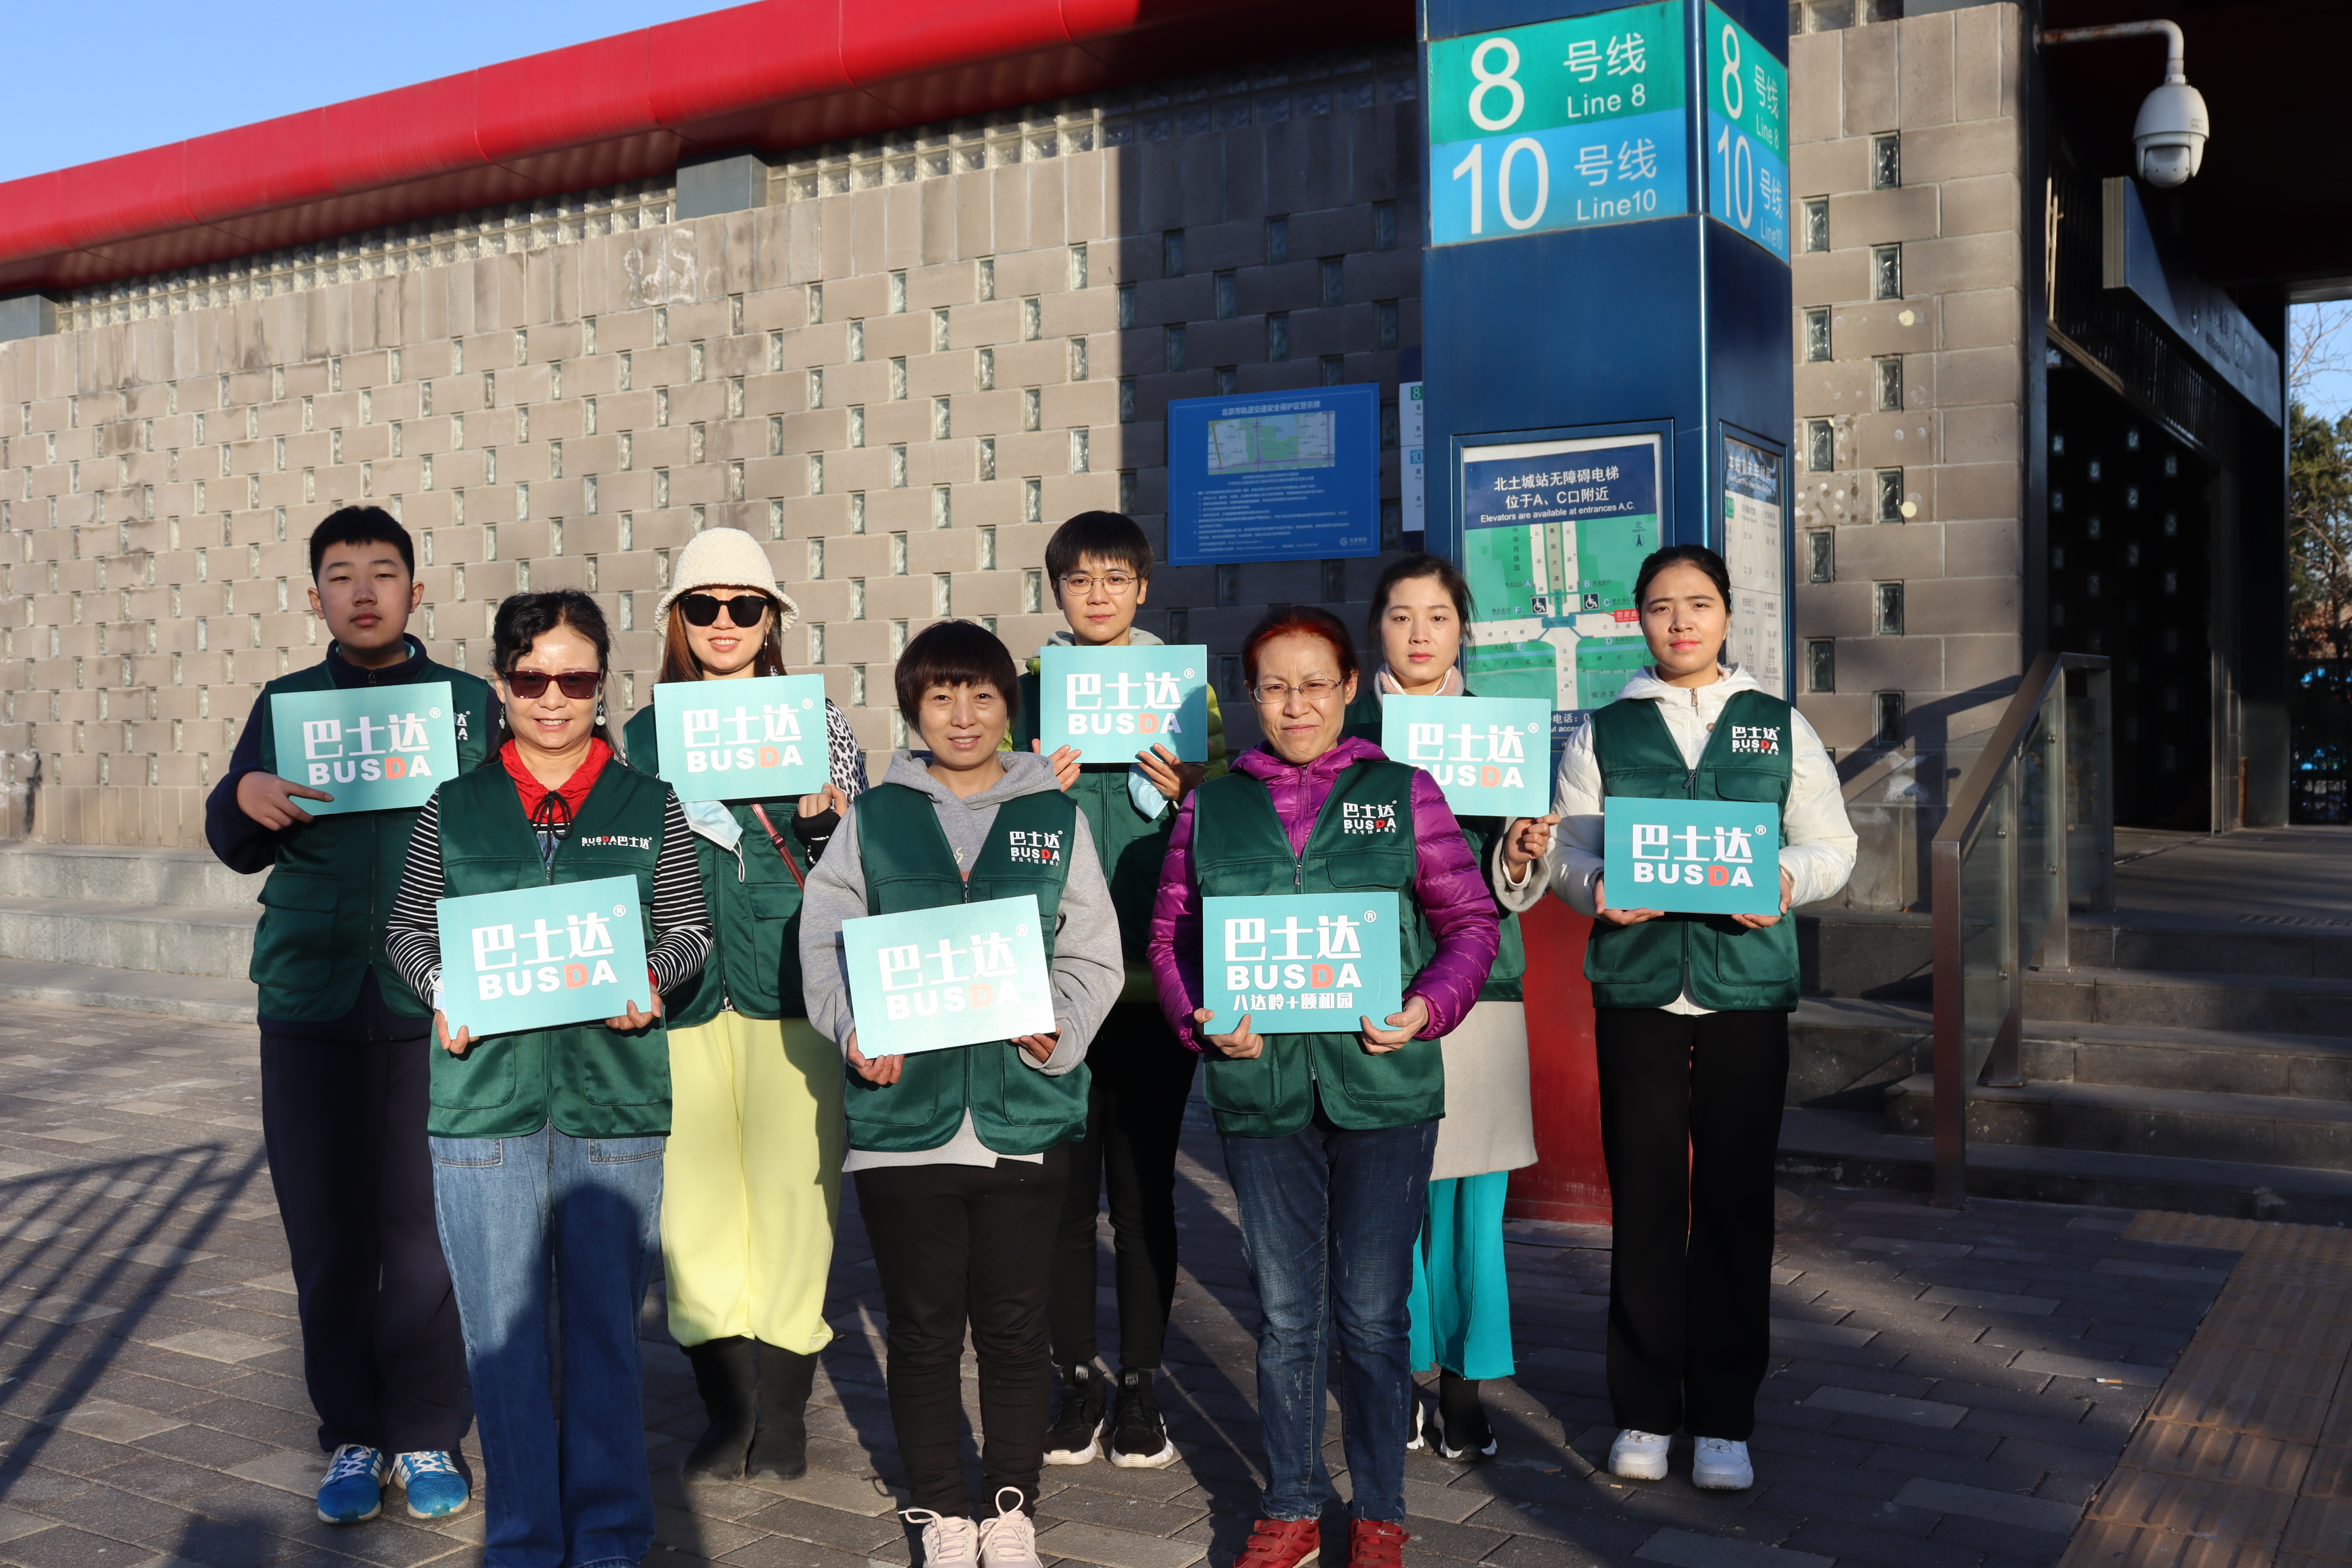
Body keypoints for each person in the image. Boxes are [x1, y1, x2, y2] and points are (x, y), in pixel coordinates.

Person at [1148, 607, 1499, 1568]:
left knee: (1372, 1315)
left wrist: (1427, 1007)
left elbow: (1470, 921)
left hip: (1383, 1086)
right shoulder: (1210, 805)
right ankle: (1294, 1502)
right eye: (1273, 684)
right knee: (1289, 1313)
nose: (1295, 702)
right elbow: (1174, 937)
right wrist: (1200, 1020)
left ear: (1351, 687)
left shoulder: (1401, 792)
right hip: (1261, 1091)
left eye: (1315, 682)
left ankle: (1379, 1508)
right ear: (1249, 694)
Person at [1506, 544, 1855, 1493]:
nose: (1681, 622)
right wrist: (1595, 888)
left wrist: (1787, 878)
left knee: (1738, 1205)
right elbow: (1572, 849)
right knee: (1649, 1203)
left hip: (1745, 988)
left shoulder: (1775, 726)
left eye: (1698, 604)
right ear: (1640, 620)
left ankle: (1727, 1417)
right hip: (1642, 992)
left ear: (1727, 615)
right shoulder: (1606, 733)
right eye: (1661, 607)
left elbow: (1833, 844)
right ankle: (1645, 1409)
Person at [383, 590, 713, 1568]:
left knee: (608, 1337)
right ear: (501, 685)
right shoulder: (457, 804)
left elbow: (689, 929)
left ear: (601, 685)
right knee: (502, 1342)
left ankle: (611, 1534)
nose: (555, 699)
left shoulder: (649, 804)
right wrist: (443, 985)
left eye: (575, 678)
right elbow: (406, 932)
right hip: (485, 1104)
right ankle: (524, 1538)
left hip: (612, 1104)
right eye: (533, 679)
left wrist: (653, 977)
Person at [799, 620, 1123, 1568]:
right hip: (906, 1121)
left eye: (981, 694)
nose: (963, 714)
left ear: (1008, 708)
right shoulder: (875, 817)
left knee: (1017, 1326)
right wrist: (856, 1027)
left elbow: (1093, 949)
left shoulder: (1056, 816)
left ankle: (1010, 1506)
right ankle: (941, 1509)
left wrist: (1059, 1023)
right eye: (940, 696)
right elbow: (824, 937)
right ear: (913, 710)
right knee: (926, 1328)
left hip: (1024, 1109)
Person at [204, 506, 490, 1527]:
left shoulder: (467, 707)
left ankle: (424, 1432)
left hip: (434, 1008)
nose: (363, 590)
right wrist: (245, 794)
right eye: (341, 574)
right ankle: (353, 1435)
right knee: (327, 1239)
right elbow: (230, 840)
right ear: (315, 595)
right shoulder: (286, 708)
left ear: (418, 590)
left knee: (424, 1239)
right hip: (311, 1002)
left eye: (383, 572)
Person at [619, 528, 867, 1483]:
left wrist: (836, 817)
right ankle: (729, 1406)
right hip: (677, 993)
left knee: (799, 1195)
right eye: (703, 606)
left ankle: (789, 1407)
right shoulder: (636, 737)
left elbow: (865, 854)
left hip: (791, 987)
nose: (724, 623)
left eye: (745, 606)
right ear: (677, 621)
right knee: (694, 1205)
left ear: (772, 623)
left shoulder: (824, 721)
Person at [1008, 511, 1226, 1470]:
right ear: (1056, 591)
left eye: (1116, 578)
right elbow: (970, 816)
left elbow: (1232, 817)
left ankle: (1141, 1384)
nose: (1098, 595)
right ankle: (1078, 1377)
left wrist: (1192, 786)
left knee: (1142, 1195)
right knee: (1059, 1195)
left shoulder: (1189, 694)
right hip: (1051, 982)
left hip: (1154, 980)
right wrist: (1023, 784)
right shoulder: (1021, 696)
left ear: (1144, 588)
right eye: (1079, 580)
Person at [1342, 554, 1554, 1461]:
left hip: (1482, 991)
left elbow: (1520, 884)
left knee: (1473, 1203)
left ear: (1463, 629)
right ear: (1376, 630)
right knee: (1390, 1199)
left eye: (1437, 615)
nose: (1420, 632)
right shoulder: (1348, 736)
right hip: (1371, 990)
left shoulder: (1500, 737)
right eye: (1400, 615)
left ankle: (1466, 1384)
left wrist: (1518, 851)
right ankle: (1407, 1374)